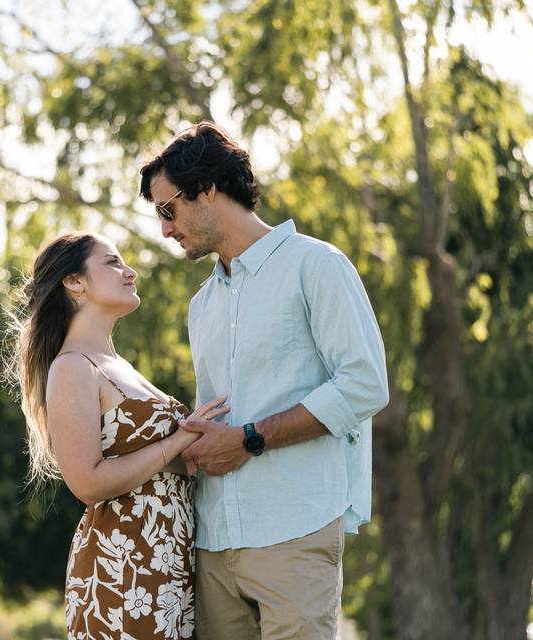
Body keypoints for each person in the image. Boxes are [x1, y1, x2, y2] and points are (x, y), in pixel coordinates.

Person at [139, 122, 389, 639]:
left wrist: (250, 439)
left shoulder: (316, 266)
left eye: (169, 209)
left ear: (208, 188)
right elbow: (216, 419)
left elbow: (365, 384)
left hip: (294, 532)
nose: (165, 229)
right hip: (212, 543)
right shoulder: (201, 305)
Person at [6, 232, 229, 639]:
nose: (130, 271)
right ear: (74, 283)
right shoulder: (73, 366)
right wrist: (177, 442)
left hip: (170, 563)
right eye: (112, 263)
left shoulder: (117, 365)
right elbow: (88, 482)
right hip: (122, 569)